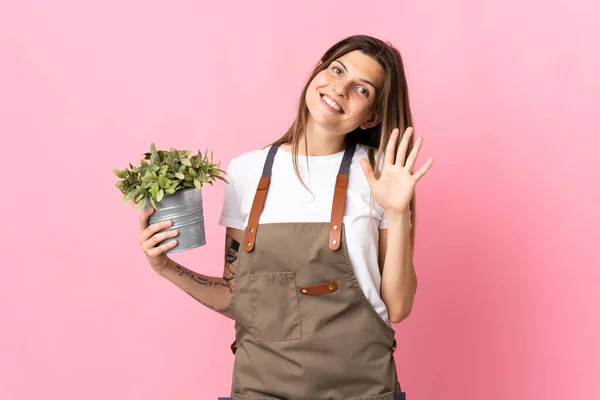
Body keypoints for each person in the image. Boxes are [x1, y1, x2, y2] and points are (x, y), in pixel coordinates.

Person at [138, 34, 434, 400]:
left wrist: (396, 209)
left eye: (361, 89)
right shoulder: (247, 171)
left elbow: (399, 307)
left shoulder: (381, 173)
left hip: (362, 388)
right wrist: (164, 267)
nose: (340, 88)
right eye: (337, 70)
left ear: (371, 115)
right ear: (316, 73)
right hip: (261, 388)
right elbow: (236, 296)